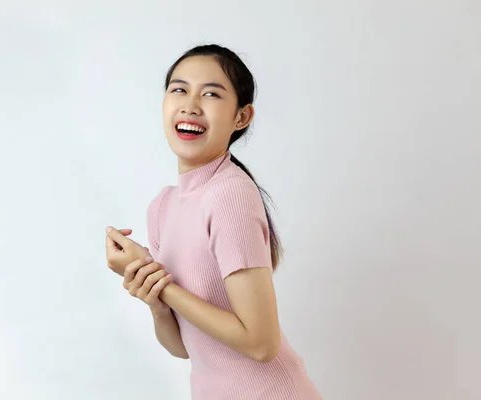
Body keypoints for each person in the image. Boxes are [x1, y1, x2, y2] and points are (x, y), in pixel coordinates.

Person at [105, 44, 322, 400]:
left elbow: (260, 344)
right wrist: (155, 298)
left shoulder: (230, 193)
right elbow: (183, 347)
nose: (190, 104)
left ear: (242, 117)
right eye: (179, 89)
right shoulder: (162, 206)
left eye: (210, 93)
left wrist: (166, 286)